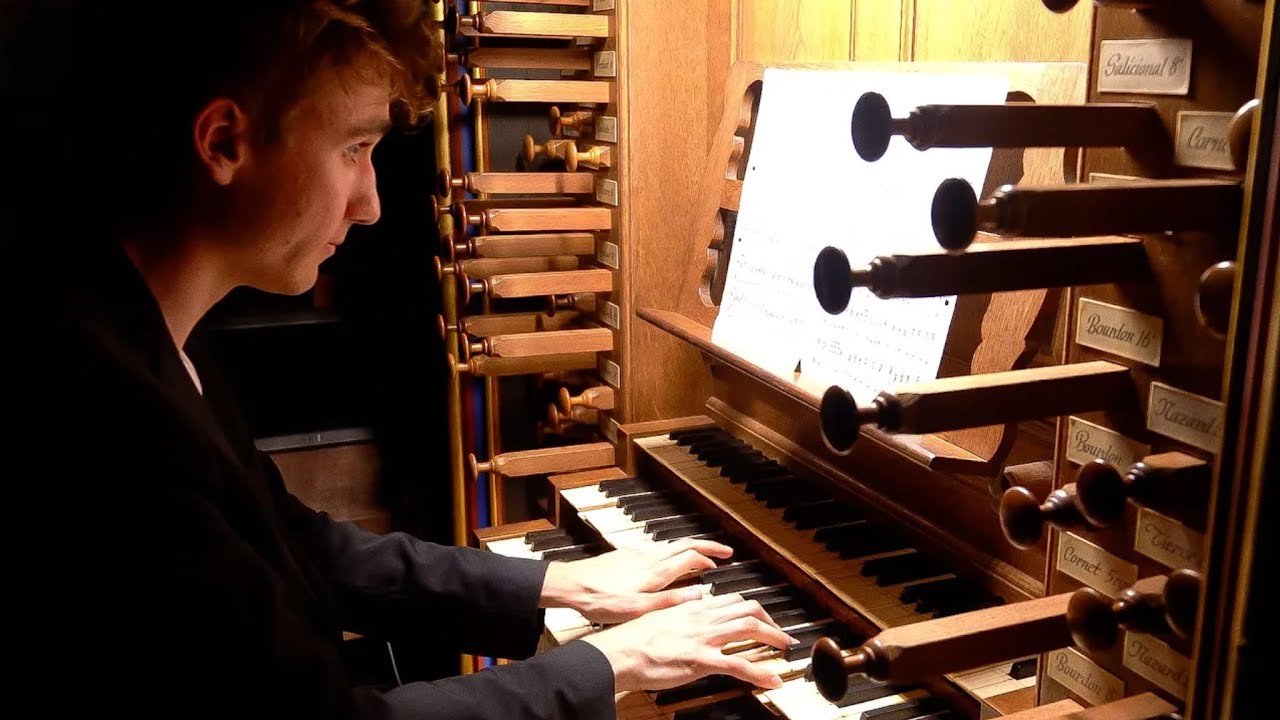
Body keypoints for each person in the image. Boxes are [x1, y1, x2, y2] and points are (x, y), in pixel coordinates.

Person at [3, 2, 796, 719]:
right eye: (354, 148)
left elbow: (301, 545)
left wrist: (562, 583)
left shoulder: (139, 329)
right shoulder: (105, 422)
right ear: (223, 142)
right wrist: (609, 665)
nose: (371, 203)